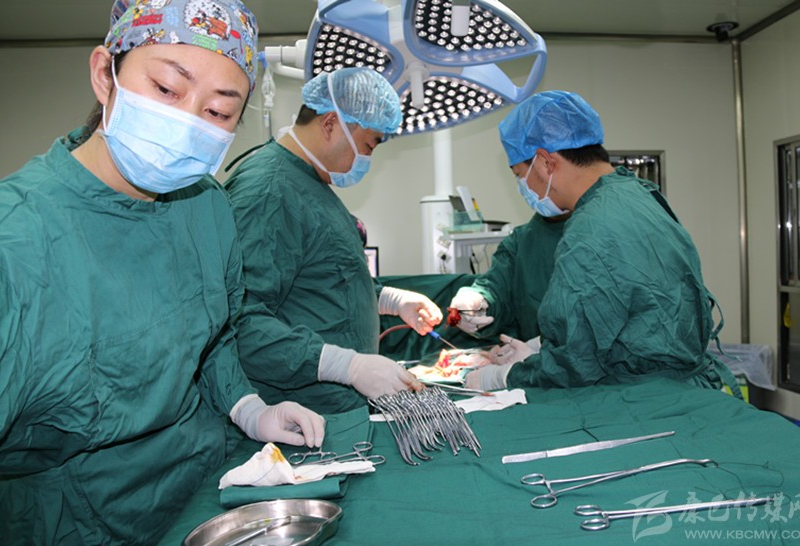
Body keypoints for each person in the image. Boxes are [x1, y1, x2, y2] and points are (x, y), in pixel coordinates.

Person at [0, 1, 325, 546]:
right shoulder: (12, 243)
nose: (188, 121)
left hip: (208, 499)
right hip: (72, 532)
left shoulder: (205, 207)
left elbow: (214, 334)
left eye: (219, 111)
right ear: (106, 74)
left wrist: (247, 407)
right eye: (167, 89)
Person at [465, 91, 738, 394]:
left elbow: (575, 362)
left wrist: (502, 377)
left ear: (544, 162)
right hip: (678, 387)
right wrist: (539, 346)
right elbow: (637, 311)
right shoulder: (640, 195)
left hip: (642, 395)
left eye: (520, 175)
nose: (524, 187)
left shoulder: (589, 230)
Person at [226, 67, 442, 413]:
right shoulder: (268, 192)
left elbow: (322, 279)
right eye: (369, 144)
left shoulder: (310, 185)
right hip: (301, 414)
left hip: (336, 410)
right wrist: (346, 366)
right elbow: (240, 321)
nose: (368, 158)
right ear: (330, 123)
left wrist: (390, 300)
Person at [448, 211, 569, 342]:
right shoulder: (522, 240)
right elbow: (497, 286)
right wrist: (479, 300)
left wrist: (540, 346)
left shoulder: (583, 237)